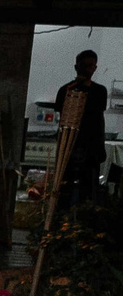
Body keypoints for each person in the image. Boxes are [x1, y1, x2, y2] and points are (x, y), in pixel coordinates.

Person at [54, 48, 107, 211]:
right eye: (85, 65)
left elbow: (95, 112)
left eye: (92, 65)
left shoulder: (99, 91)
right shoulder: (67, 90)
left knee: (88, 186)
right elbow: (61, 114)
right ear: (77, 67)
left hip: (91, 147)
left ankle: (86, 218)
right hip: (70, 145)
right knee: (65, 185)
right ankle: (61, 216)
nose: (89, 69)